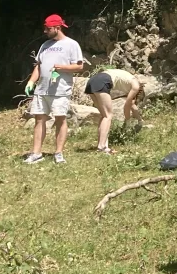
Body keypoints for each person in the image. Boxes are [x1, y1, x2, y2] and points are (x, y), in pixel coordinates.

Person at [23, 14, 85, 164]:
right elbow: (38, 65)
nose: (45, 31)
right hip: (42, 89)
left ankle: (58, 153)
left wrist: (62, 67)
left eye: (48, 28)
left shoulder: (71, 44)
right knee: (39, 119)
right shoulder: (45, 45)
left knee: (60, 119)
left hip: (60, 90)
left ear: (57, 28)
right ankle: (36, 153)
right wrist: (31, 81)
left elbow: (79, 66)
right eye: (45, 28)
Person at [84, 67, 145, 154]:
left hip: (92, 80)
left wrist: (139, 120)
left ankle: (103, 146)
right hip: (103, 80)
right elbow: (127, 106)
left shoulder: (128, 80)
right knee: (108, 115)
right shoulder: (136, 86)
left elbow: (131, 104)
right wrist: (127, 122)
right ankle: (101, 147)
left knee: (104, 115)